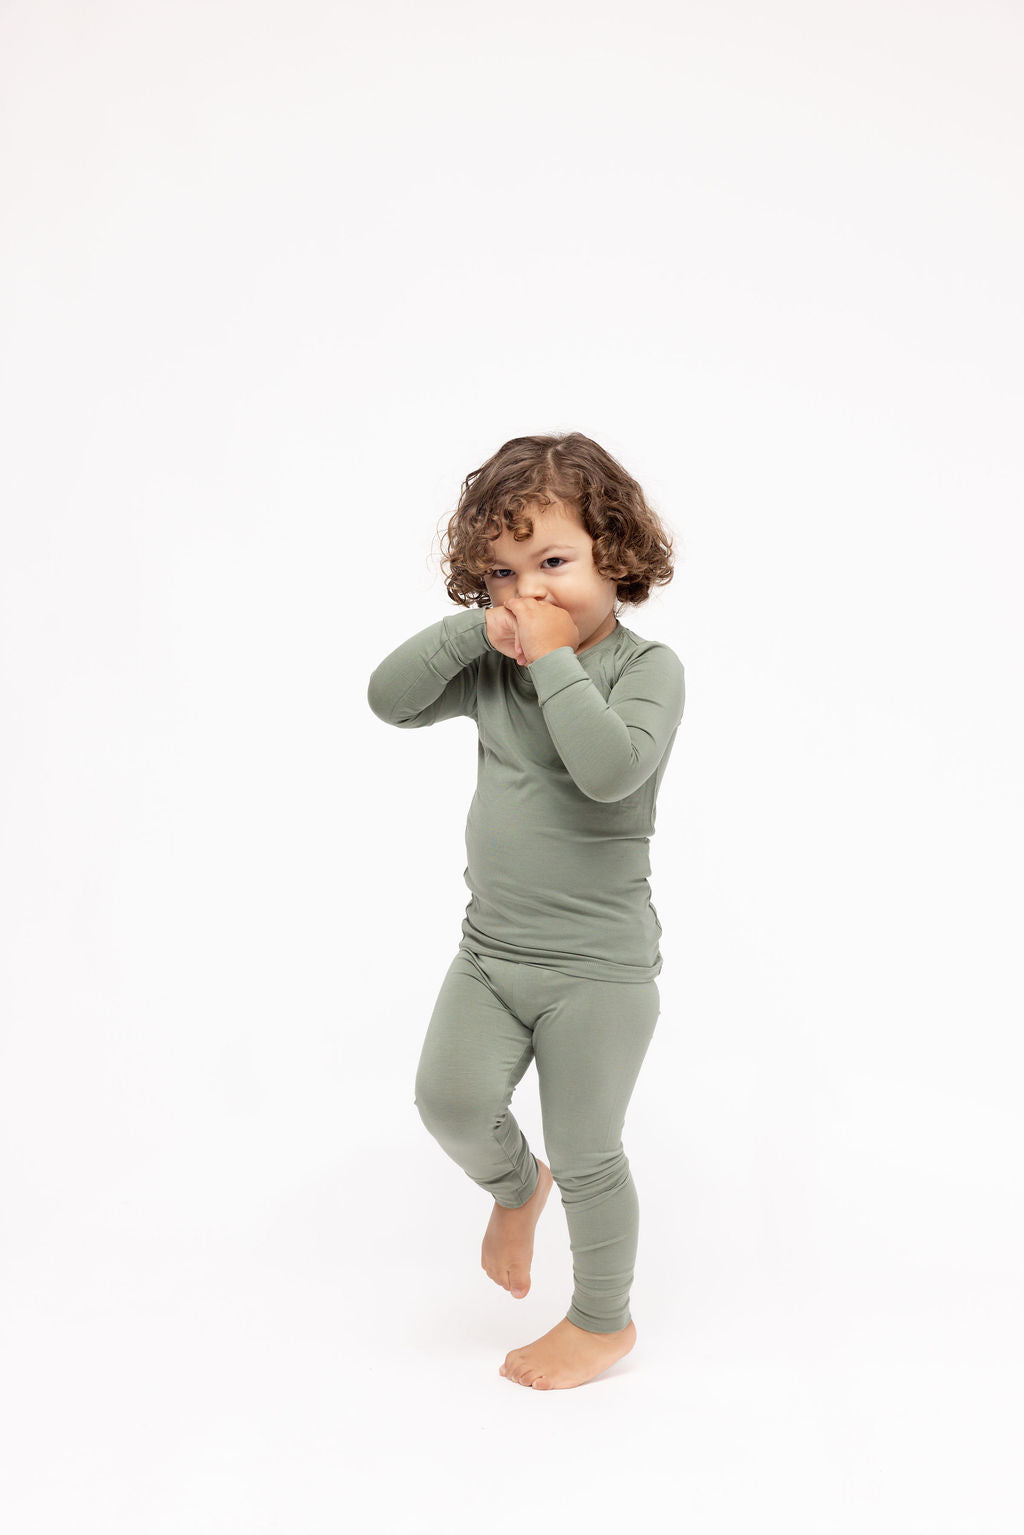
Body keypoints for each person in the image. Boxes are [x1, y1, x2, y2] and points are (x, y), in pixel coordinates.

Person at [366, 431, 685, 1389]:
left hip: (599, 970)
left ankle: (601, 1319)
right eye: (503, 574)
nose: (531, 591)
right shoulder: (497, 658)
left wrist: (550, 660)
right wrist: (481, 632)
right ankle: (516, 1184)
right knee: (449, 1100)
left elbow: (607, 771)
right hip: (491, 952)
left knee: (590, 1150)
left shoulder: (649, 669)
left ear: (613, 556)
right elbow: (388, 700)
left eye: (554, 563)